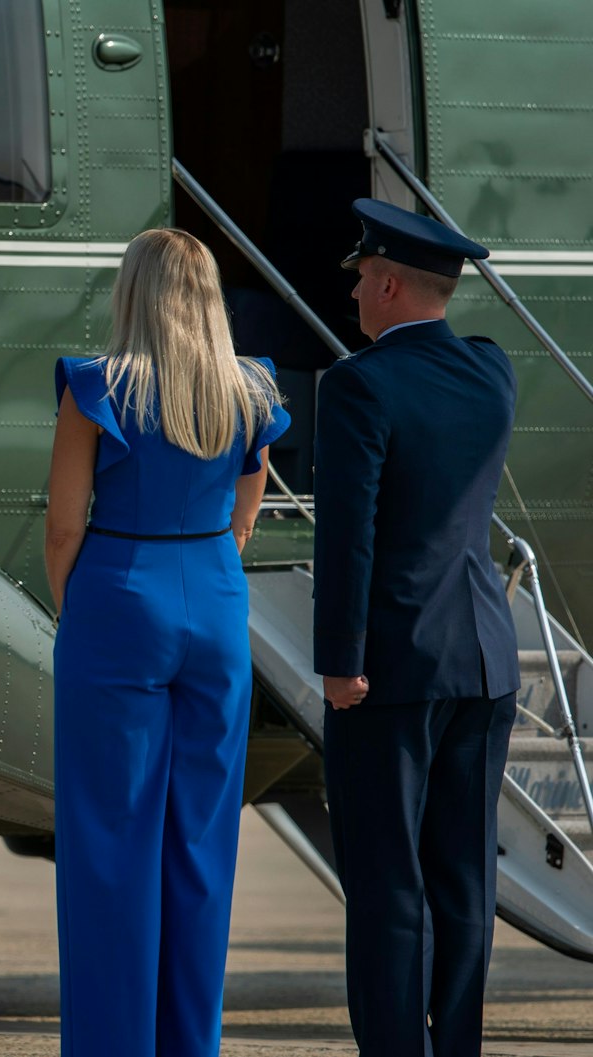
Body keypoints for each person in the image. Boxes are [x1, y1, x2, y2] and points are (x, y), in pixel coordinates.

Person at [44, 228, 288, 1057]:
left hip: (119, 595)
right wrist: (209, 564)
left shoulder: (97, 388)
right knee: (201, 846)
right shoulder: (250, 391)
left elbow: (64, 525)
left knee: (110, 848)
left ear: (134, 293)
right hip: (215, 598)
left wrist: (76, 610)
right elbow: (246, 509)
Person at [314, 198, 519, 1057]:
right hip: (482, 659)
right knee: (464, 879)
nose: (357, 289)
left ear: (390, 283)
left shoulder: (358, 384)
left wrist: (339, 659)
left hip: (393, 668)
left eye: (363, 274)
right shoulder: (491, 370)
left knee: (389, 883)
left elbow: (350, 533)